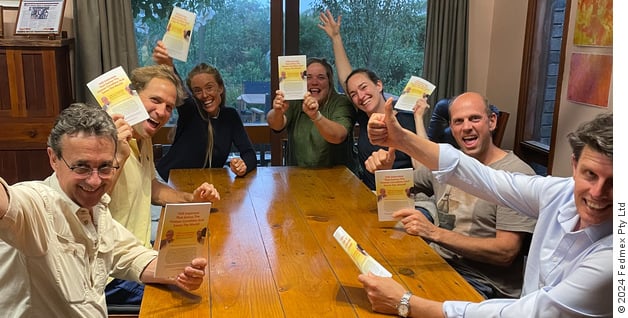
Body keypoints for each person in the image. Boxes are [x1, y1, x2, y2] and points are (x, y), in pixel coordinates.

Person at [362, 99, 612, 317]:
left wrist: (406, 304)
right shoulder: (561, 192)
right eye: (590, 174)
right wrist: (400, 142)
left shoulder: (613, 257)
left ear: (491, 122)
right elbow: (486, 180)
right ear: (574, 166)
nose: (598, 193)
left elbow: (531, 312)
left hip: (488, 292)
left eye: (615, 183)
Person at [0, 103, 207, 317]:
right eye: (81, 167)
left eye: (105, 167)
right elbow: (8, 202)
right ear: (54, 159)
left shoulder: (96, 209)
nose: (95, 180)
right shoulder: (36, 205)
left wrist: (178, 271)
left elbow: (128, 254)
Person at [365, 93, 537, 299]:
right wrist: (385, 170)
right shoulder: (448, 163)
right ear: (452, 129)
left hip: (483, 283)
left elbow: (505, 252)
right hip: (439, 263)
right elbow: (398, 189)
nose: (466, 127)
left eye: (474, 118)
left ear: (492, 122)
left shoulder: (517, 174)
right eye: (458, 121)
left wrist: (433, 232)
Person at [106, 64, 220, 305]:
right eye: (155, 100)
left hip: (140, 254)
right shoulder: (103, 142)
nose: (161, 111)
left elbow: (152, 188)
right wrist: (117, 156)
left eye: (169, 107)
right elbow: (89, 207)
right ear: (131, 97)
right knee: (200, 301)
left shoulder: (143, 139)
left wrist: (193, 198)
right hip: (111, 273)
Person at [319, 10, 416, 190]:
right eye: (353, 94)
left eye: (364, 88)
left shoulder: (406, 118)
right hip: (367, 194)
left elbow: (423, 170)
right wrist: (336, 38)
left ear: (378, 85)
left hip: (403, 196)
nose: (360, 96)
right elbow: (346, 79)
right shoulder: (364, 116)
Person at [152, 41, 257, 180]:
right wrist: (168, 65)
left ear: (220, 88)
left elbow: (249, 153)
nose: (205, 95)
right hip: (167, 181)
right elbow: (180, 90)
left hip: (205, 185)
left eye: (209, 87)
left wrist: (243, 165)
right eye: (197, 91)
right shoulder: (191, 110)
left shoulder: (230, 116)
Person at [267, 57, 358, 172]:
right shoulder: (295, 101)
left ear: (329, 82)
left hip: (339, 179)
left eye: (321, 77)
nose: (314, 82)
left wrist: (316, 116)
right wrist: (277, 111)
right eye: (308, 77)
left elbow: (338, 136)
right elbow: (275, 125)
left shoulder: (341, 102)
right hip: (298, 177)